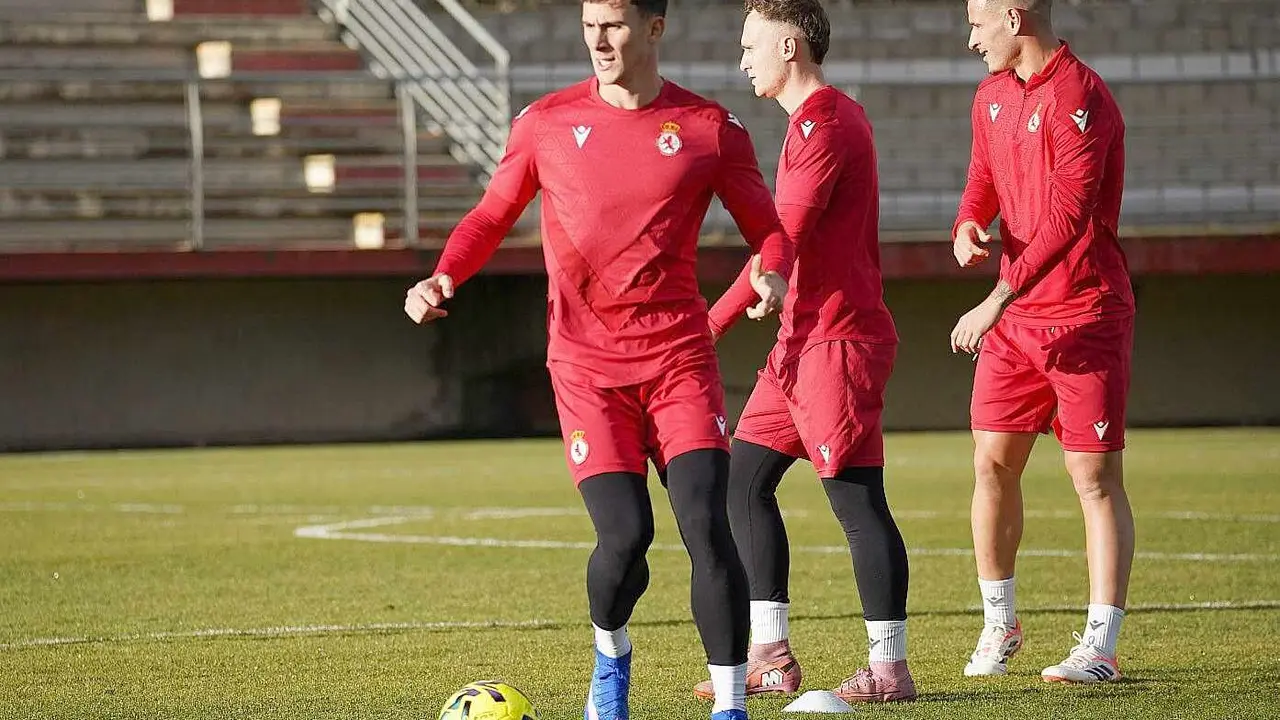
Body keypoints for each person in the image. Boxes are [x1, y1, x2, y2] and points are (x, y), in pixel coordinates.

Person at [404, 2, 797, 718]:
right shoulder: (544, 124)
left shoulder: (710, 129)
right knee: (626, 538)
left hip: (679, 361)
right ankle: (611, 659)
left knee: (706, 522)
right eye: (590, 24)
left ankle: (732, 705)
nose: (598, 38)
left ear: (654, 28)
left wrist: (771, 272)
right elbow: (492, 214)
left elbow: (769, 229)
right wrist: (445, 274)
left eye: (614, 23)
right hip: (587, 372)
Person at [692, 0, 914, 704]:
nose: (742, 60)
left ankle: (888, 668)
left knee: (854, 498)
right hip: (801, 343)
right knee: (744, 482)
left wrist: (715, 319)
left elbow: (780, 235)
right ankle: (770, 655)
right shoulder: (808, 124)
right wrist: (762, 287)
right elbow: (779, 247)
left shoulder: (828, 123)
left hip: (837, 342)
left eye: (750, 45)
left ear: (790, 46)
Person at [950, 0, 1134, 684]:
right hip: (1016, 324)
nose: (971, 39)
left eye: (977, 23)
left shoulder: (1084, 98)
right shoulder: (991, 94)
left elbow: (1067, 216)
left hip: (1085, 315)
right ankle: (1001, 625)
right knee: (991, 463)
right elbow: (984, 177)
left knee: (1093, 477)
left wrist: (998, 295)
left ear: (1014, 16)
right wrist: (969, 220)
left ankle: (1100, 646)